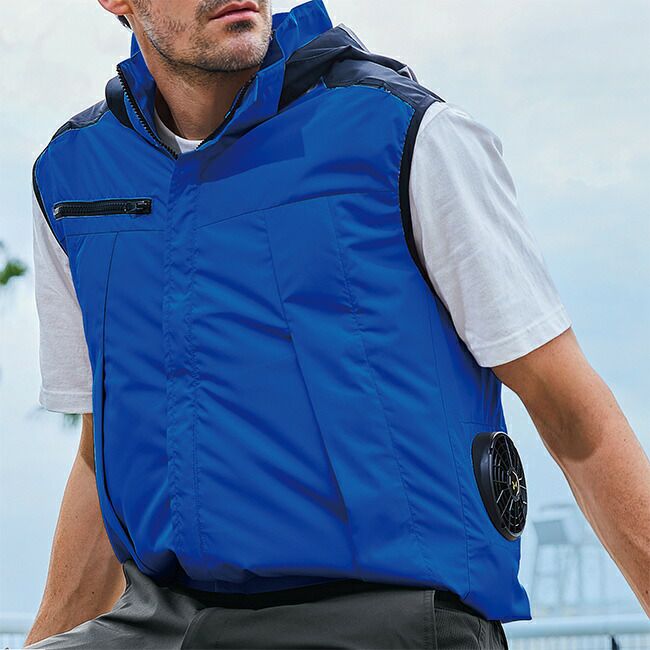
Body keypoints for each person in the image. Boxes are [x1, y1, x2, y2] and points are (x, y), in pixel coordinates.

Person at [26, 0, 650, 647]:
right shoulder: (74, 178)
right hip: (170, 617)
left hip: (388, 619)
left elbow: (571, 413)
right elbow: (103, 451)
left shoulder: (405, 134)